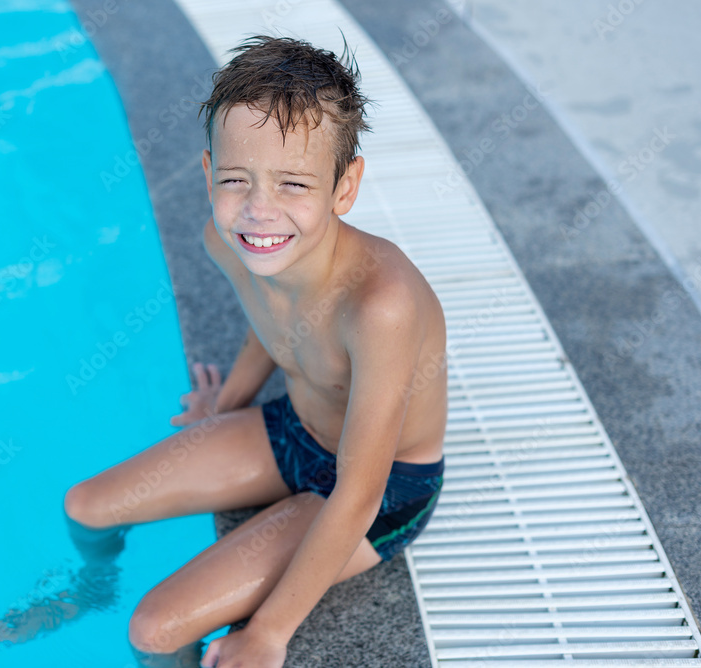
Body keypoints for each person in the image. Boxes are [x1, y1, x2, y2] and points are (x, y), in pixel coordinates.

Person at [67, 34, 447, 667]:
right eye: (237, 179)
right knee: (86, 508)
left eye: (294, 184)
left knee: (156, 630)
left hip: (379, 490)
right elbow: (270, 324)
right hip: (295, 431)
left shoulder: (381, 305)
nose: (259, 210)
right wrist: (229, 404)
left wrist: (268, 633)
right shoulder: (231, 241)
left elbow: (359, 489)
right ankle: (92, 590)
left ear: (343, 186)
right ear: (211, 170)